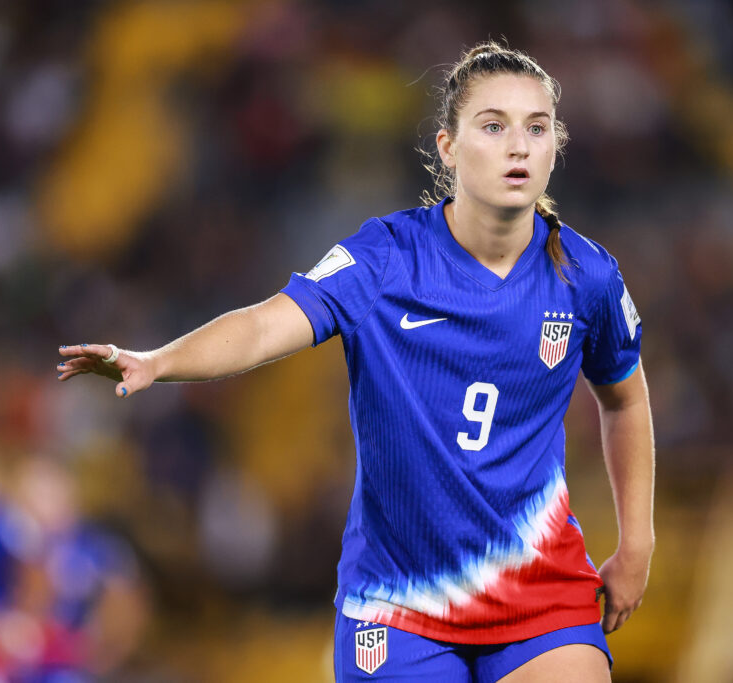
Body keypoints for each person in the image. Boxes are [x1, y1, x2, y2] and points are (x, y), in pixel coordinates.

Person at [58, 41, 654, 683]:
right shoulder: (385, 259)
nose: (519, 146)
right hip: (399, 606)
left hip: (541, 592)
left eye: (536, 128)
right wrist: (157, 362)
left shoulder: (586, 276)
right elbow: (263, 326)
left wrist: (636, 542)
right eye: (493, 125)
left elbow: (625, 400)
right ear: (448, 147)